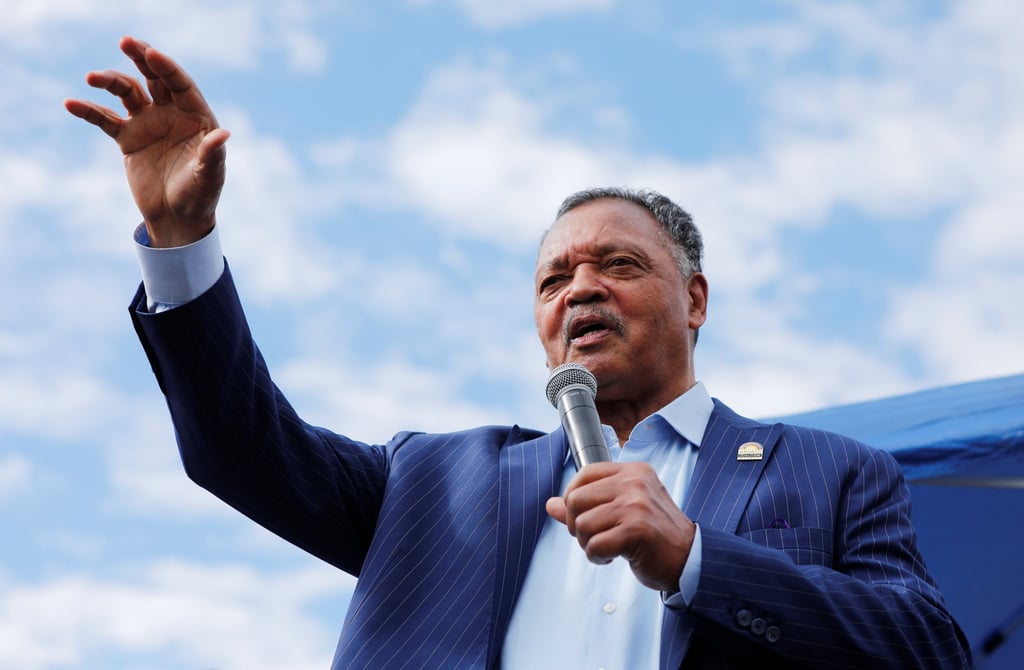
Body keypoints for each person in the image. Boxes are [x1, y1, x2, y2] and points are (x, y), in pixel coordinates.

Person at [65, 37, 971, 669]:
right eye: (553, 279)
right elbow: (240, 447)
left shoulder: (833, 472)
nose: (580, 289)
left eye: (618, 265)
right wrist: (183, 243)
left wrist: (695, 557)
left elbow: (927, 648)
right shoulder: (428, 481)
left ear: (694, 299)